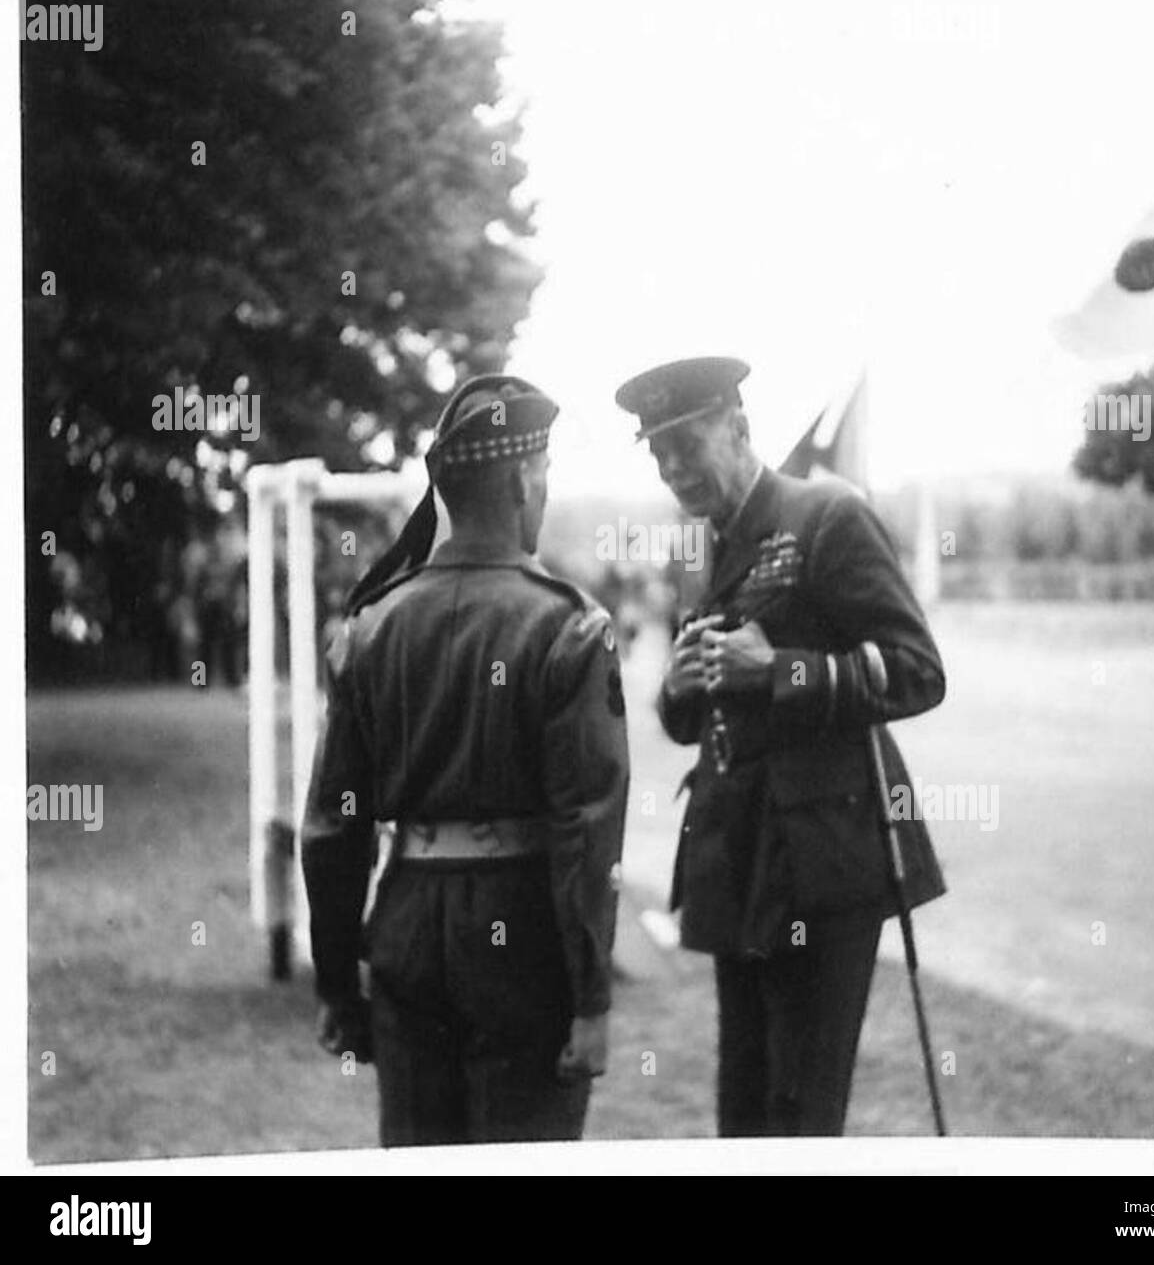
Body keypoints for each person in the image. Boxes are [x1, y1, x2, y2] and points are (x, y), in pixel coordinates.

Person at [614, 355, 947, 1137]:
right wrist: (682, 685)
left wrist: (783, 670)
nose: (672, 469)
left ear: (738, 428)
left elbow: (919, 672)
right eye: (657, 453)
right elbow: (694, 717)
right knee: (746, 1113)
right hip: (739, 860)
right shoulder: (710, 547)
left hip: (823, 867)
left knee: (800, 1115)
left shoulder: (828, 517)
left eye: (685, 444)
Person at [302, 374, 628, 1145]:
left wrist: (337, 984)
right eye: (543, 476)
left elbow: (332, 828)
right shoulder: (567, 628)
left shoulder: (371, 628)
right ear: (521, 480)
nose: (543, 494)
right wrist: (591, 1001)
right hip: (523, 939)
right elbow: (586, 830)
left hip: (407, 923)